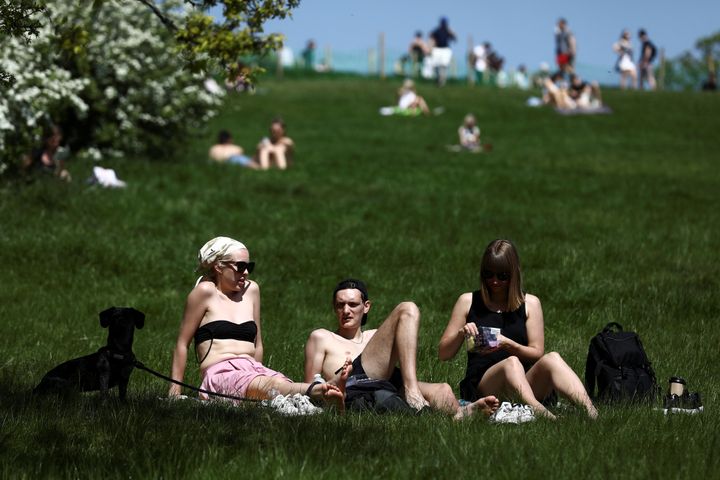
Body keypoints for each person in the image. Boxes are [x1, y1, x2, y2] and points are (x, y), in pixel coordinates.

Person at [168, 236, 346, 409]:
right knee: (270, 386)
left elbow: (257, 343)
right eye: (240, 266)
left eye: (249, 266)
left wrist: (257, 370)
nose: (245, 272)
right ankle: (317, 390)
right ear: (218, 267)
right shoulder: (205, 291)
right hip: (220, 373)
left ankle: (325, 397)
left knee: (279, 384)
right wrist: (175, 391)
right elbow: (182, 343)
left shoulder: (251, 290)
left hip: (254, 371)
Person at [438, 239, 598, 420]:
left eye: (502, 276)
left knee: (552, 358)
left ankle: (591, 411)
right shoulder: (468, 302)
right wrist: (461, 333)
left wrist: (508, 344)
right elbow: (443, 354)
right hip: (486, 387)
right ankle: (542, 413)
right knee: (511, 363)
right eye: (488, 274)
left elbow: (537, 352)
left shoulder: (530, 304)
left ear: (514, 275)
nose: (495, 281)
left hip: (524, 382)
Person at [304, 279, 499, 419]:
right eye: (340, 305)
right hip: (355, 386)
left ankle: (460, 415)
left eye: (353, 304)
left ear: (366, 307)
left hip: (387, 382)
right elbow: (311, 389)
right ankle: (412, 392)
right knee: (408, 308)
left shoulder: (374, 336)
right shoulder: (321, 337)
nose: (346, 311)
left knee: (443, 390)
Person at [429, 17, 456, 86]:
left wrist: (451, 31)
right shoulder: (436, 31)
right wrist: (430, 48)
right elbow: (432, 39)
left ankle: (442, 81)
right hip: (437, 49)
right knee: (436, 65)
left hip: (445, 50)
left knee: (444, 66)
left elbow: (454, 38)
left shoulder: (448, 31)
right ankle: (438, 78)